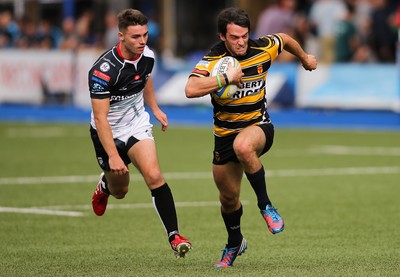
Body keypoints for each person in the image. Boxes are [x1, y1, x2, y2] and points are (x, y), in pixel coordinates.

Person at [185, 7, 317, 268]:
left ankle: (266, 205)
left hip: (258, 127)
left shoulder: (261, 48)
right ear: (223, 36)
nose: (241, 42)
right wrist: (225, 78)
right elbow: (190, 89)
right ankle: (235, 243)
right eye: (234, 37)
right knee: (228, 198)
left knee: (244, 146)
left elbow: (285, 39)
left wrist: (303, 58)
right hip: (224, 134)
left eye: (244, 35)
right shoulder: (212, 59)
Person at [88, 8, 191, 258]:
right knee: (121, 191)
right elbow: (101, 118)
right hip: (108, 132)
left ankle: (174, 236)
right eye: (135, 37)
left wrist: (154, 108)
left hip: (136, 123)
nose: (142, 41)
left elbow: (144, 79)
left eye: (144, 35)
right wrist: (113, 155)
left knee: (154, 175)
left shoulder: (147, 55)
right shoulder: (103, 71)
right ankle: (105, 184)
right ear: (121, 36)